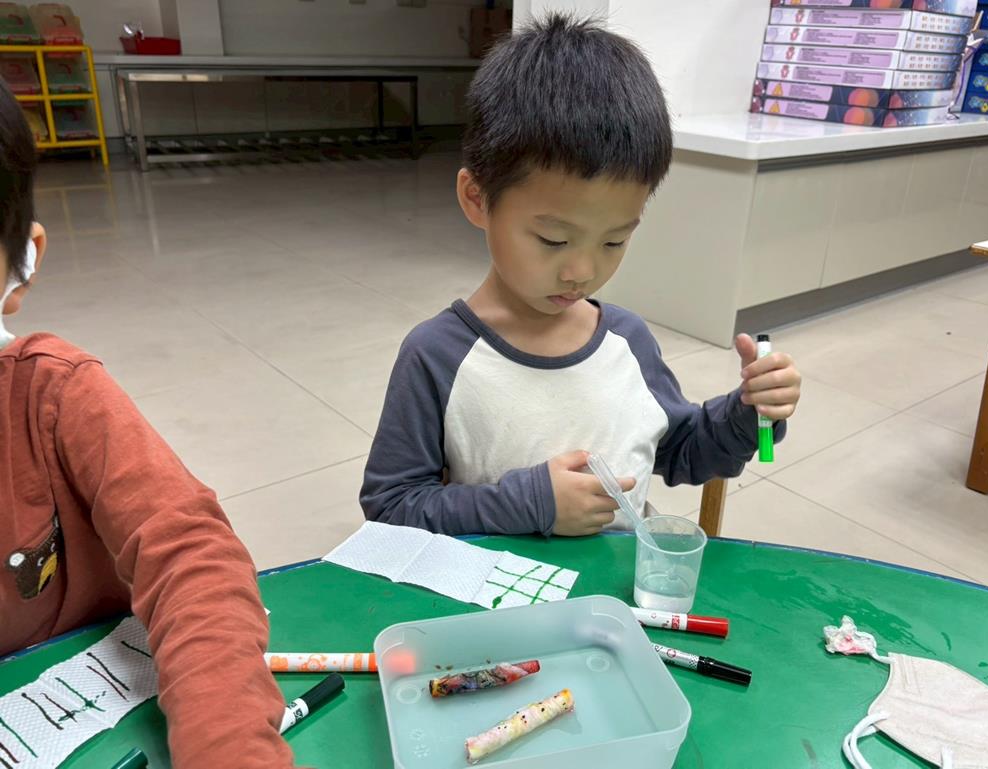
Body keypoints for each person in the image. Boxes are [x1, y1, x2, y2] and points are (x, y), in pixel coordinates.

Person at [361, 14, 802, 537]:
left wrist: (748, 413)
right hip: (499, 587)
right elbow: (391, 506)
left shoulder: (627, 341)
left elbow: (683, 451)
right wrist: (530, 504)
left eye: (614, 241)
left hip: (616, 584)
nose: (584, 271)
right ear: (477, 198)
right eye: (553, 239)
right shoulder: (436, 356)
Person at [0, 80, 299, 769]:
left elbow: (191, 555)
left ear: (23, 263)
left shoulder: (54, 393)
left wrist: (227, 748)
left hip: (96, 713)